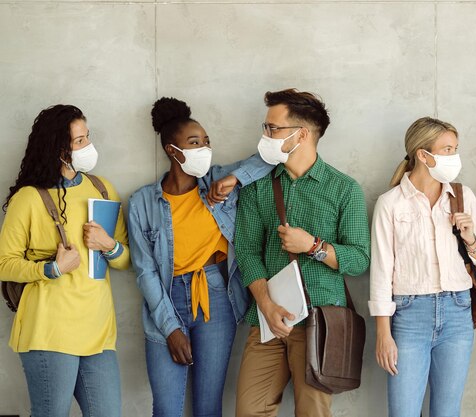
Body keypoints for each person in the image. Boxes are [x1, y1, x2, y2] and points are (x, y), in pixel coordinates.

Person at [127, 97, 274, 417]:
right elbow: (145, 271)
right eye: (194, 142)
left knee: (208, 407)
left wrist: (234, 179)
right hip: (165, 302)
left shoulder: (218, 181)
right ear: (172, 150)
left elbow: (272, 159)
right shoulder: (141, 202)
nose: (204, 149)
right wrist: (170, 328)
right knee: (166, 409)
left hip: (216, 298)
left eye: (207, 142)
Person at [234, 88, 370, 417]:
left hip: (320, 323)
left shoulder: (344, 188)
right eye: (265, 127)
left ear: (302, 134)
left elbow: (359, 259)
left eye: (272, 128)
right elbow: (247, 250)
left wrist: (313, 246)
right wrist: (265, 304)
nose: (265, 135)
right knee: (248, 411)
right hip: (266, 320)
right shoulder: (259, 187)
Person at [0, 104, 130, 417]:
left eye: (87, 138)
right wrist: (52, 268)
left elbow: (125, 259)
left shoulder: (102, 189)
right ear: (58, 148)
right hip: (49, 330)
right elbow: (5, 264)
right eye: (79, 141)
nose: (88, 147)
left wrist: (109, 245)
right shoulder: (29, 198)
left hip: (98, 330)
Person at [369, 116, 476, 417]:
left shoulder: (463, 197)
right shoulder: (390, 203)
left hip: (457, 312)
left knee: (447, 412)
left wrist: (470, 238)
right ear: (423, 155)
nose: (455, 156)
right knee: (403, 412)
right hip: (410, 316)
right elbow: (382, 272)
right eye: (447, 149)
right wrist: (383, 335)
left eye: (455, 148)